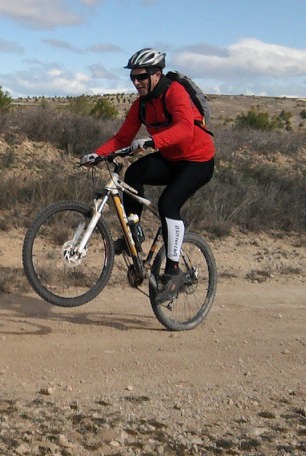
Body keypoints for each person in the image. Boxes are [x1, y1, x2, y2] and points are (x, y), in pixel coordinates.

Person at [79, 48, 215, 303]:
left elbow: (185, 128)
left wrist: (153, 141)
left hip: (197, 161)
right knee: (134, 173)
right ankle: (135, 233)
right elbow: (122, 138)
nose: (136, 82)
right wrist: (97, 154)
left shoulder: (175, 92)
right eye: (133, 77)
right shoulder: (141, 105)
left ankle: (173, 272)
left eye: (141, 76)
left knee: (168, 205)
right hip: (171, 158)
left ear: (156, 74)